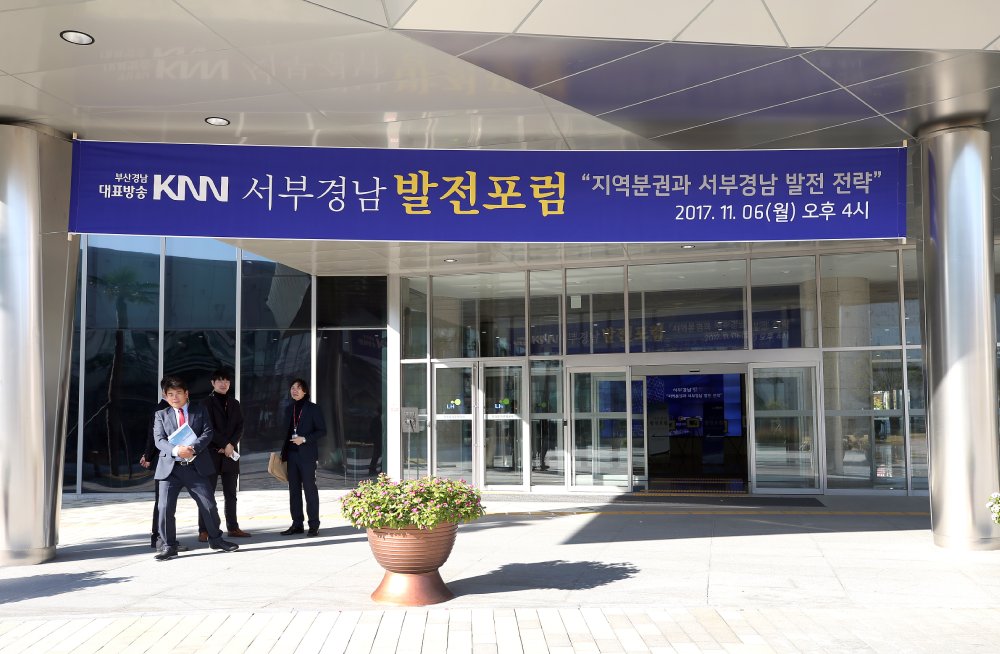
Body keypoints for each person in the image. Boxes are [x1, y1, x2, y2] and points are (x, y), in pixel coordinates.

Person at [151, 376, 239, 561]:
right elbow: (159, 440)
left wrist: (193, 448)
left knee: (208, 505)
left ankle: (216, 540)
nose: (175, 397)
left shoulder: (199, 410)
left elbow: (208, 432)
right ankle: (169, 546)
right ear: (165, 396)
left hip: (195, 467)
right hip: (170, 469)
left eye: (178, 393)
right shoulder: (161, 415)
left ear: (186, 394)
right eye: (170, 394)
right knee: (165, 508)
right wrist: (177, 450)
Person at [197, 367, 250, 541]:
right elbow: (207, 428)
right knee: (207, 494)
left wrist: (231, 445)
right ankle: (204, 530)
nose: (224, 384)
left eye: (227, 381)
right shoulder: (205, 403)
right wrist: (224, 444)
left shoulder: (234, 403)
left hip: (230, 454)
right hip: (211, 454)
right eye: (220, 380)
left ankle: (233, 527)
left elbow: (240, 427)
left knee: (231, 494)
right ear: (213, 383)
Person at [280, 378, 325, 537]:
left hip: (307, 456)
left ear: (305, 391)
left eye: (298, 388)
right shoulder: (289, 409)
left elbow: (322, 431)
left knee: (309, 489)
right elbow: (286, 433)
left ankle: (314, 525)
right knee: (294, 491)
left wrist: (304, 439)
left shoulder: (313, 409)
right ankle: (297, 524)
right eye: (292, 388)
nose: (295, 390)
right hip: (291, 455)